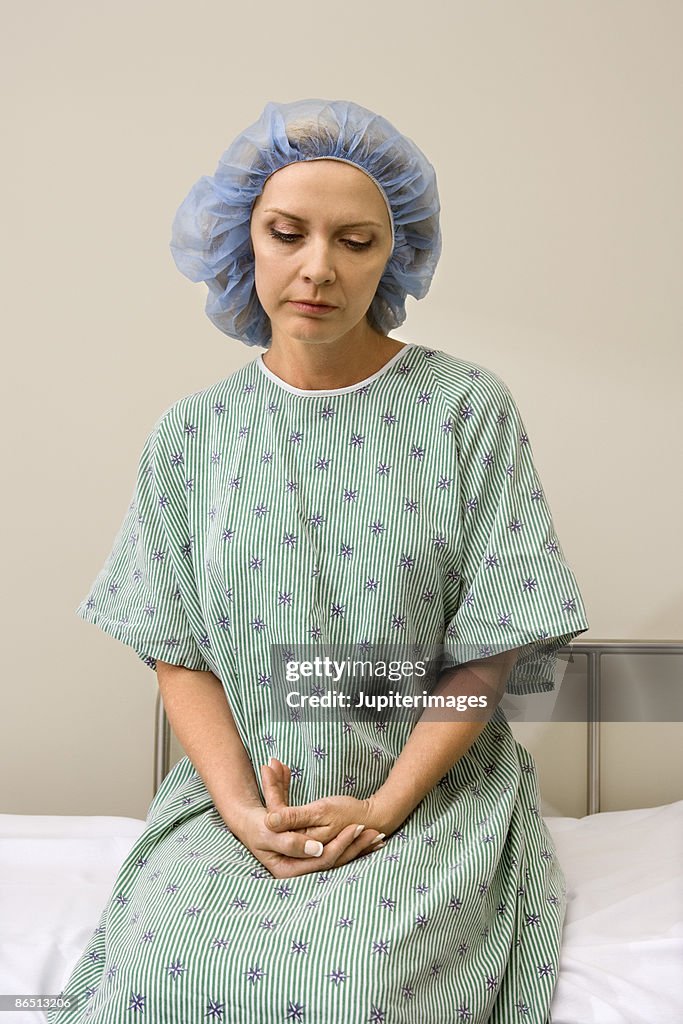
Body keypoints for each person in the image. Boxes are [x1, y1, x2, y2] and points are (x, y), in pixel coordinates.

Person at [49, 99, 589, 1024]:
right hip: (238, 798)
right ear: (242, 239)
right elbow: (177, 651)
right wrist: (239, 814)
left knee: (354, 995)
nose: (317, 268)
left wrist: (382, 808)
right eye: (286, 232)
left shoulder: (465, 413)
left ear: (394, 257)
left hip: (424, 798)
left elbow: (488, 652)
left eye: (355, 240)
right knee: (166, 982)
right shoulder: (192, 437)